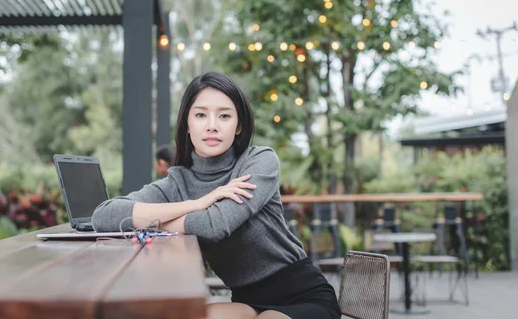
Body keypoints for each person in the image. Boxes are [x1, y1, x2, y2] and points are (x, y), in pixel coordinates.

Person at [92, 71, 340, 319]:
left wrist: (156, 221)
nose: (212, 125)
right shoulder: (178, 183)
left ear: (239, 125)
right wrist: (196, 203)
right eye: (201, 115)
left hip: (304, 294)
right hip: (247, 300)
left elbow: (216, 225)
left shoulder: (258, 162)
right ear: (187, 125)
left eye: (224, 115)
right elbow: (104, 215)